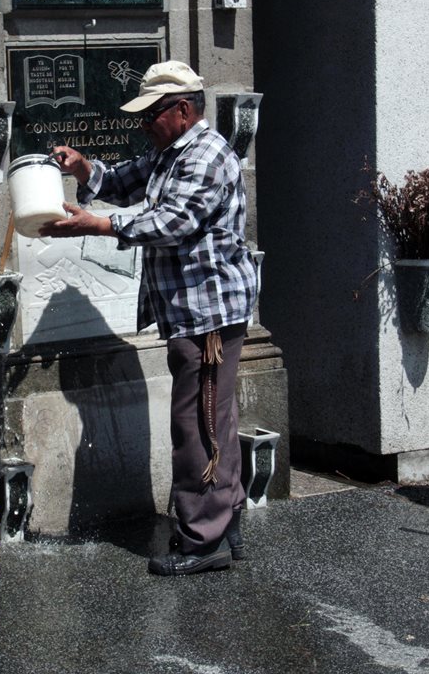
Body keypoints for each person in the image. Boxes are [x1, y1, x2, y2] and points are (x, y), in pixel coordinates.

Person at [39, 60, 257, 576]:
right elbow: (120, 180)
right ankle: (227, 520)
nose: (144, 124)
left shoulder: (206, 156)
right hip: (192, 314)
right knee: (214, 423)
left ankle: (204, 541)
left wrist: (99, 225)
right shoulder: (169, 151)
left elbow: (173, 221)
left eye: (151, 114)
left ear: (183, 110)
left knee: (197, 427)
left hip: (209, 319)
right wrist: (82, 168)